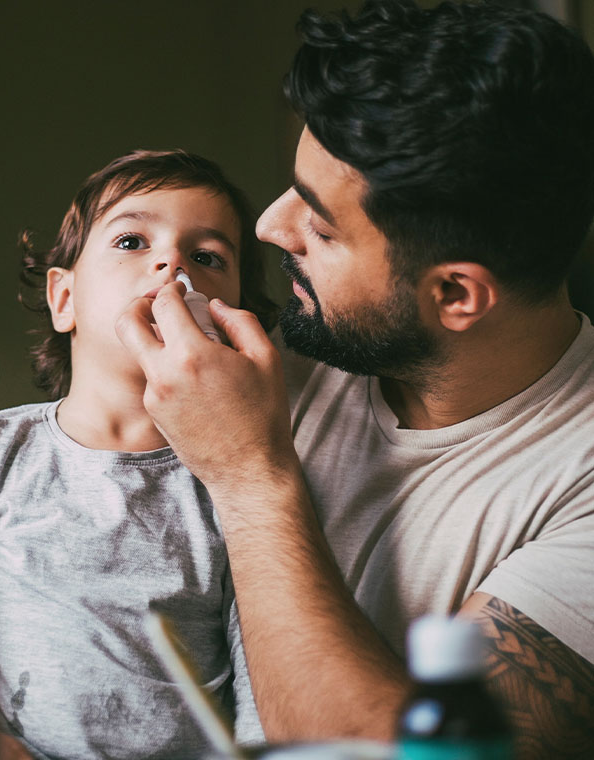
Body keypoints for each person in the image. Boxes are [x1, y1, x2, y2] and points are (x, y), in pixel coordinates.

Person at [115, 2, 594, 758]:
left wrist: (248, 476)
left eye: (320, 224)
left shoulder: (582, 486)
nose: (270, 226)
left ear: (454, 295)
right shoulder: (285, 340)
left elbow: (402, 752)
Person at [0, 149, 277, 759]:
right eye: (132, 240)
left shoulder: (238, 483)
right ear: (64, 299)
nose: (172, 262)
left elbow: (264, 680)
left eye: (208, 257)